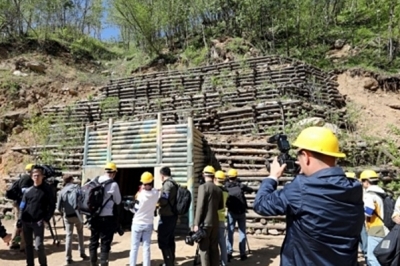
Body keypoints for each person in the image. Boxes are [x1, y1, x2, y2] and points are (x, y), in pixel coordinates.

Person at [253, 126, 364, 266]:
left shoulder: (301, 188)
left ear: (305, 156)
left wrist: (272, 177)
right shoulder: (354, 188)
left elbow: (261, 204)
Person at [18, 165, 56, 266]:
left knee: (39, 246)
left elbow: (52, 205)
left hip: (38, 222)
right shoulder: (28, 191)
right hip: (26, 222)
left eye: (38, 175)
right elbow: (22, 205)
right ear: (31, 177)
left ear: (42, 176)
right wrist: (19, 220)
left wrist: (47, 218)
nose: (36, 177)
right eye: (34, 175)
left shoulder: (47, 190)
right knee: (28, 246)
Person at [89, 162, 122, 266]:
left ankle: (92, 263)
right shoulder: (113, 184)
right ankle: (103, 264)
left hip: (94, 217)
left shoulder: (95, 180)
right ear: (113, 173)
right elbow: (118, 201)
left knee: (94, 241)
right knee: (105, 242)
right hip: (107, 218)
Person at [193, 165, 223, 266]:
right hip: (215, 222)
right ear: (214, 175)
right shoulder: (219, 190)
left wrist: (196, 223)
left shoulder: (203, 187)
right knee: (214, 248)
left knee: (204, 249)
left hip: (205, 223)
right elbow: (220, 206)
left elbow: (200, 207)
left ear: (203, 174)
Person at [129, 172, 159, 266]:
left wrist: (129, 207)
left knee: (134, 247)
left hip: (137, 223)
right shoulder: (155, 193)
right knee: (146, 247)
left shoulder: (140, 195)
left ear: (143, 183)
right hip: (148, 223)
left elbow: (135, 210)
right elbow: (155, 191)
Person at [56, 176, 88, 265]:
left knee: (69, 236)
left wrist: (63, 213)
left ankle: (68, 257)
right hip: (78, 215)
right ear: (71, 180)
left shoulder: (62, 191)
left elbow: (58, 207)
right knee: (80, 233)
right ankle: (82, 253)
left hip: (68, 216)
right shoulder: (77, 188)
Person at [360, 169, 389, 266]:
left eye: (362, 181)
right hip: (385, 227)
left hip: (375, 229)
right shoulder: (382, 192)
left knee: (372, 258)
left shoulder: (369, 195)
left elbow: (369, 212)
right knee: (383, 255)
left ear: (366, 182)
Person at [225, 168, 254, 261]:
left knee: (230, 232)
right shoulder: (240, 186)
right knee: (242, 232)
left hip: (231, 212)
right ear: (236, 176)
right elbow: (251, 190)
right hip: (241, 212)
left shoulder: (225, 187)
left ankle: (229, 252)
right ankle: (242, 253)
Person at [10, 163, 34, 251]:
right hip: (20, 204)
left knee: (19, 224)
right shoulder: (26, 178)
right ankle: (23, 245)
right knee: (22, 224)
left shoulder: (25, 177)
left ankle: (15, 243)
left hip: (19, 203)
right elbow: (24, 190)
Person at [157, 166, 178, 266]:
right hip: (173, 215)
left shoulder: (167, 185)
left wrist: (157, 201)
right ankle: (170, 261)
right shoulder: (174, 183)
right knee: (170, 239)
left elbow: (164, 200)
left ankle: (168, 263)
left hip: (167, 216)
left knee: (163, 240)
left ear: (162, 175)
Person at [214, 170, 229, 266]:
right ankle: (224, 263)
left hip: (214, 218)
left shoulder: (214, 191)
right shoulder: (226, 192)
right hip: (223, 218)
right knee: (223, 244)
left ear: (215, 179)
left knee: (213, 243)